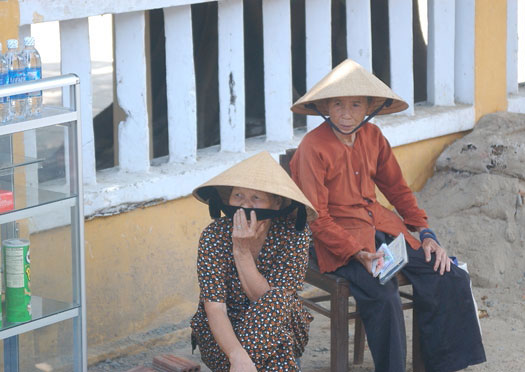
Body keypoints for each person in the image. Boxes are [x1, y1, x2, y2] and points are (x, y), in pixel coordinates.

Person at [289, 59, 486, 372]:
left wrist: (426, 234)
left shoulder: (373, 136)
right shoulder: (313, 147)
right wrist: (358, 254)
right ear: (325, 106)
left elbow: (398, 191)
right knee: (384, 293)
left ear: (368, 107)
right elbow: (316, 218)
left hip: (381, 228)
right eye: (337, 104)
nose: (345, 113)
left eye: (355, 104)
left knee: (448, 274)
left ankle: (443, 365)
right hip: (336, 241)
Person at [190, 151, 318, 372]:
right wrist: (238, 358)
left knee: (276, 297)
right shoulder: (214, 235)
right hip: (223, 340)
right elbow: (215, 308)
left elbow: (269, 304)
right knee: (277, 359)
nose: (244, 205)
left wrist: (241, 252)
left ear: (276, 203)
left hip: (280, 327)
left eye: (256, 198)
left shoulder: (294, 235)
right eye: (238, 195)